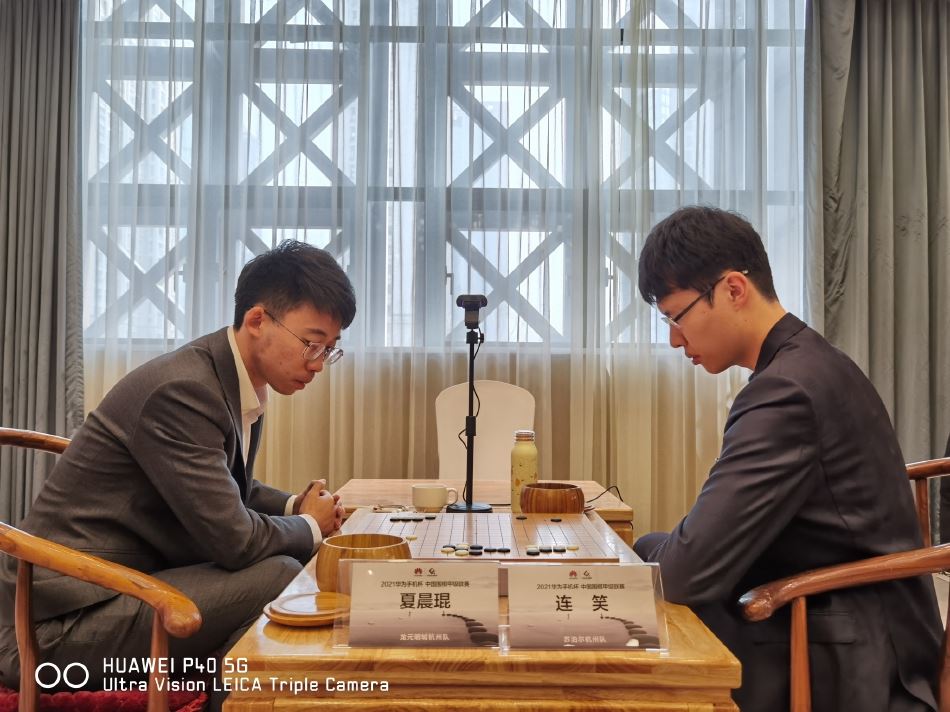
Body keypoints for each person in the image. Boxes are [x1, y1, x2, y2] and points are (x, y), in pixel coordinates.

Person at [0, 240, 356, 706]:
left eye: (330, 350)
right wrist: (310, 526)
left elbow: (227, 488)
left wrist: (295, 506)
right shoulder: (185, 390)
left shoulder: (231, 378)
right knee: (278, 577)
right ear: (257, 320)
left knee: (280, 580)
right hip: (50, 630)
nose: (318, 365)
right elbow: (235, 541)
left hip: (121, 588)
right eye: (312, 344)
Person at [634, 206, 941, 712]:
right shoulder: (810, 363)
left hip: (857, 656)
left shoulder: (787, 391)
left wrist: (644, 550)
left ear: (734, 289)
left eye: (677, 316)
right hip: (853, 622)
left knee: (651, 621)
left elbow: (686, 570)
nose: (673, 338)